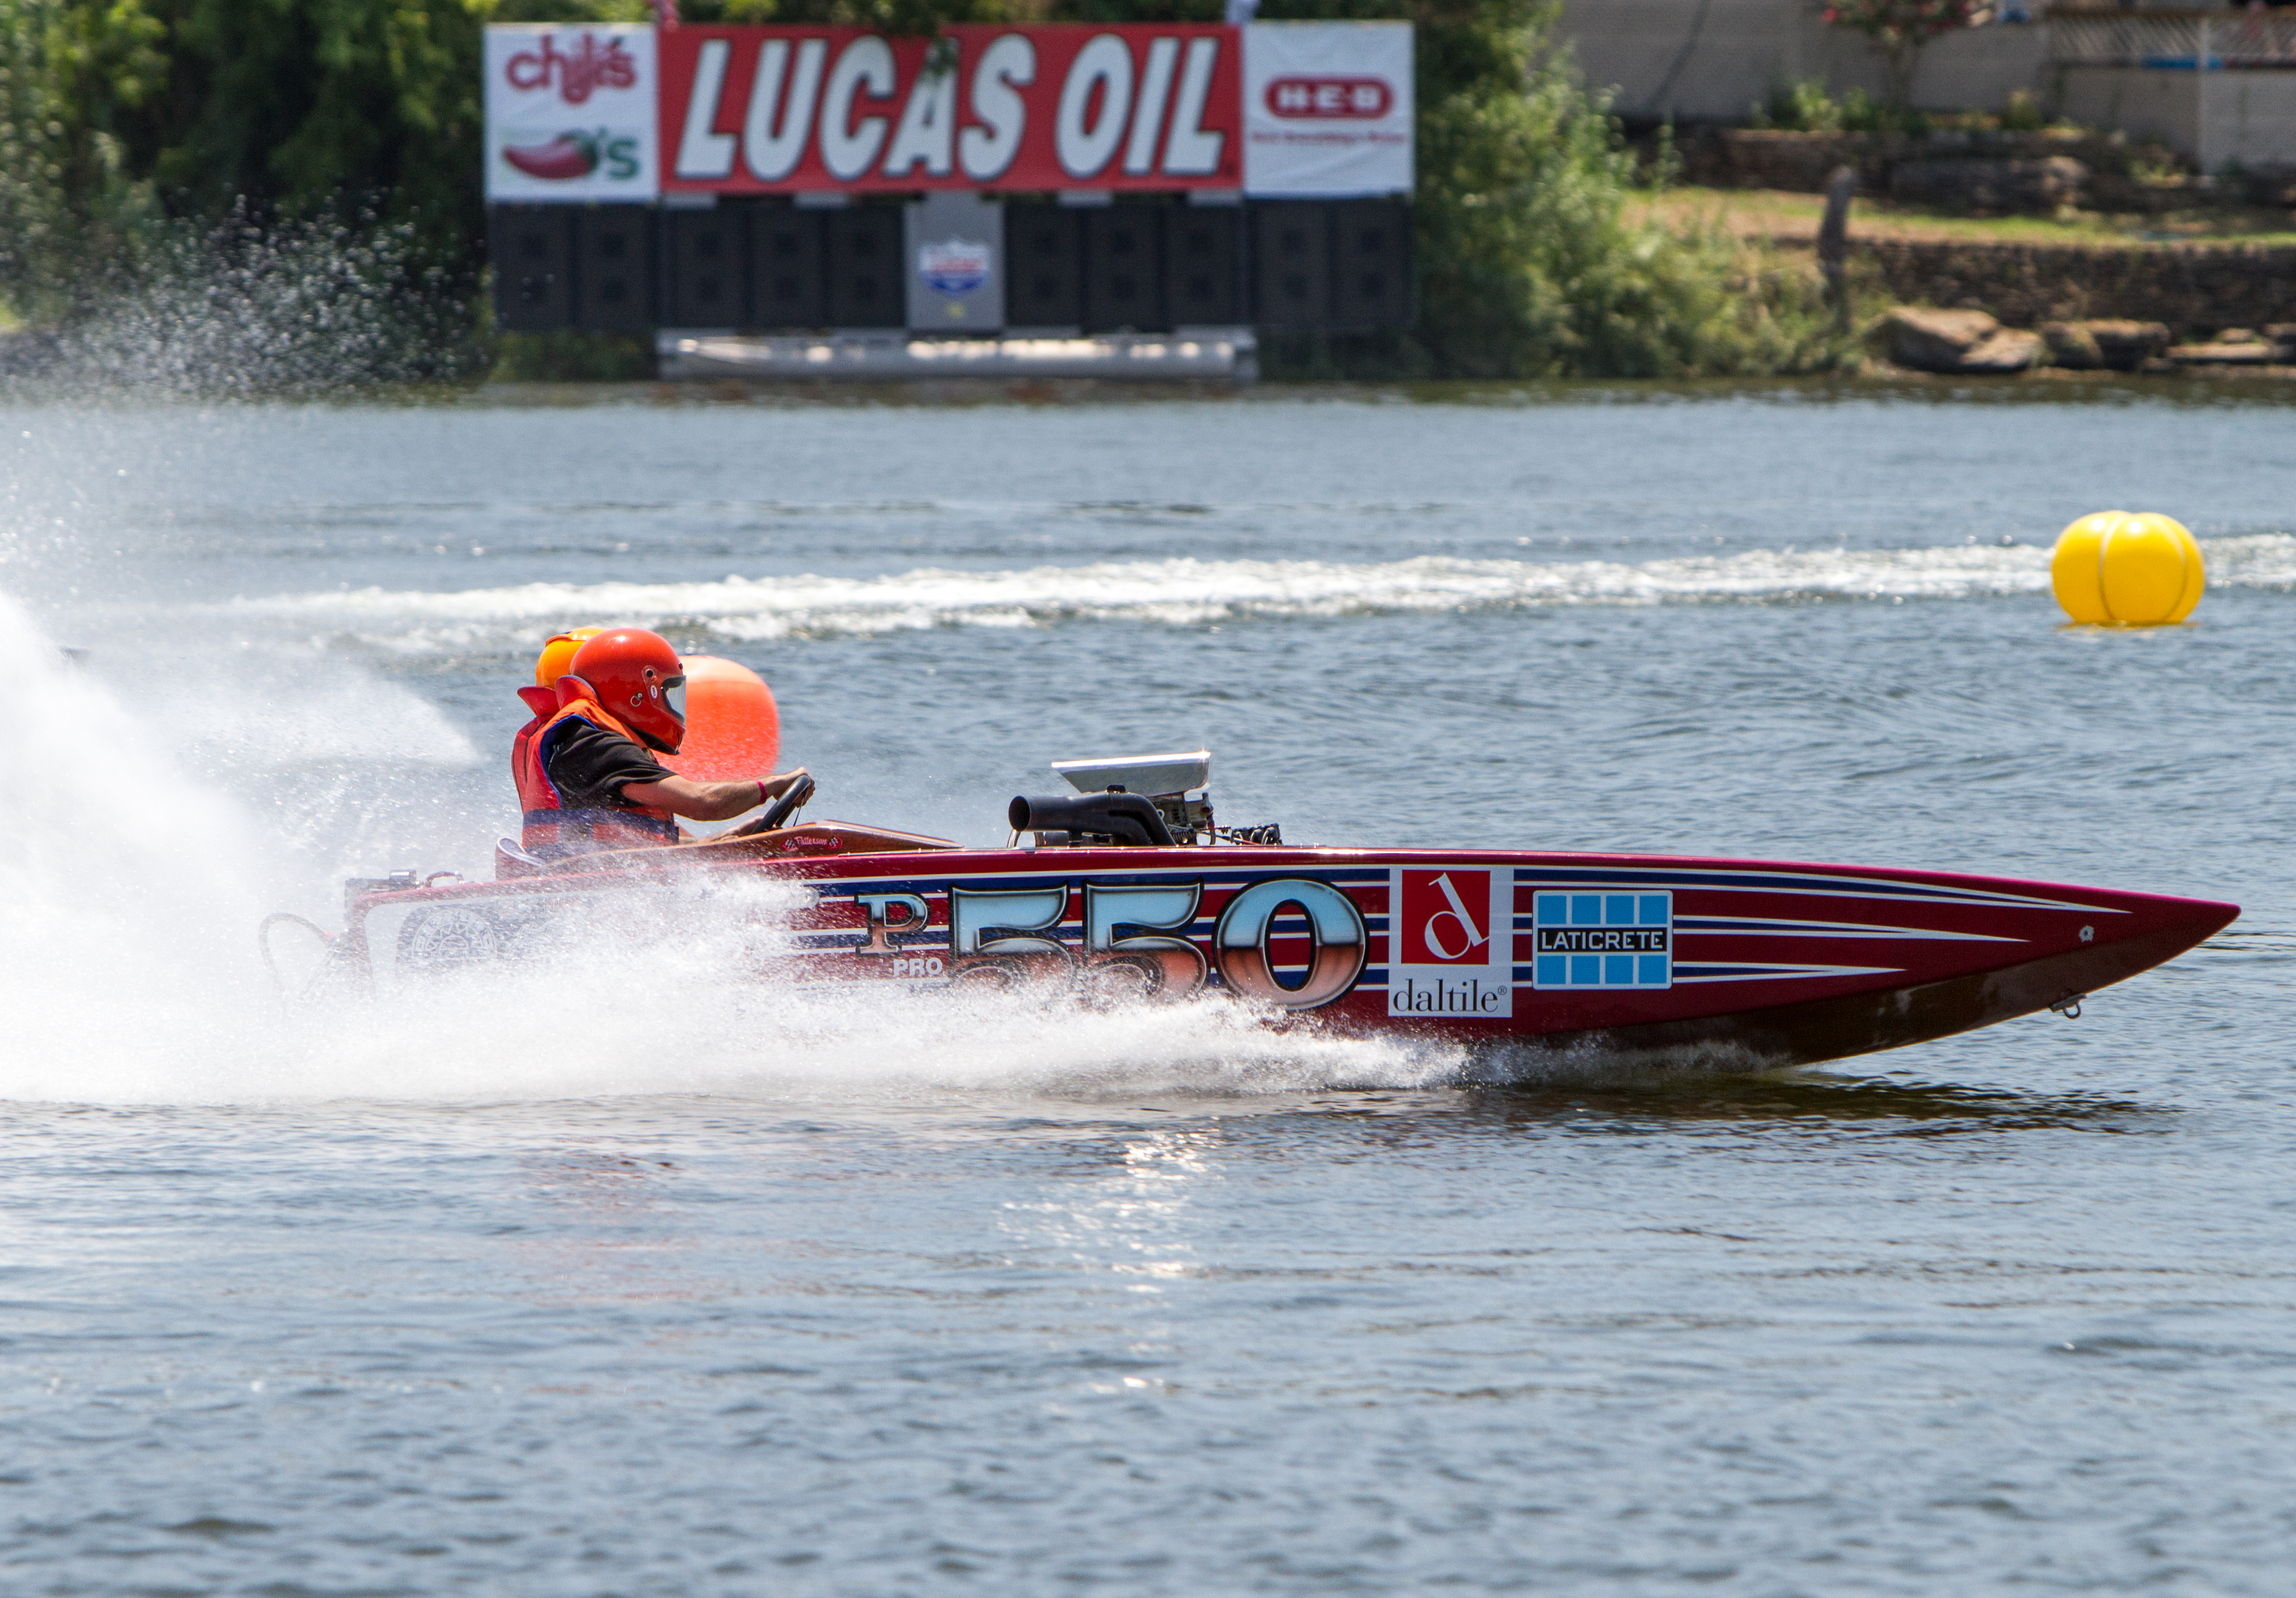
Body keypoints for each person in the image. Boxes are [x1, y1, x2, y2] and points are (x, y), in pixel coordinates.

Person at [513, 626, 810, 857]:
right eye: (670, 691)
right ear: (642, 690)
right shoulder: (592, 744)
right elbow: (702, 802)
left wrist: (723, 840)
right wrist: (774, 785)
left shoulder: (575, 739)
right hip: (592, 894)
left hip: (597, 885)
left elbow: (639, 844)